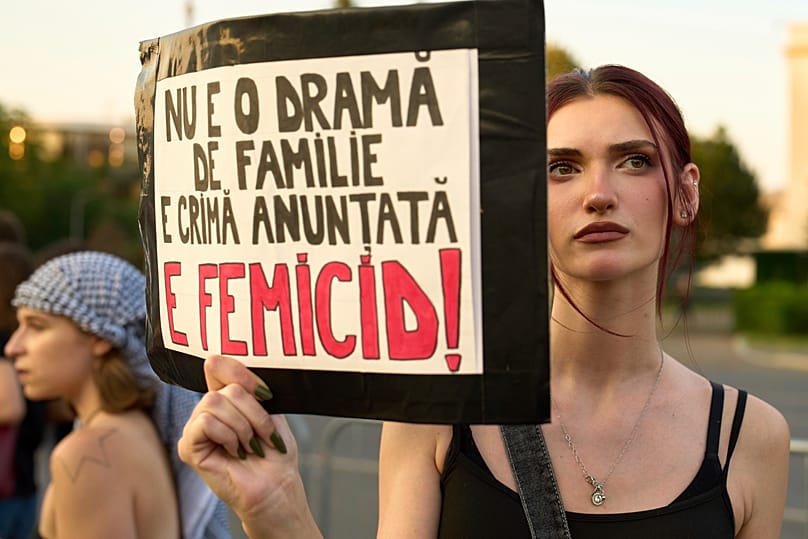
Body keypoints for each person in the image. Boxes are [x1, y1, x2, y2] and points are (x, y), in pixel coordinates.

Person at [176, 65, 790, 538]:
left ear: (685, 193)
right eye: (560, 167)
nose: (599, 193)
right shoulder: (439, 411)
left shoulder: (751, 436)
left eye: (634, 161)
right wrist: (275, 508)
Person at [4, 251, 231, 539]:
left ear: (100, 337)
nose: (13, 347)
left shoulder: (86, 455)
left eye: (37, 326)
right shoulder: (137, 428)